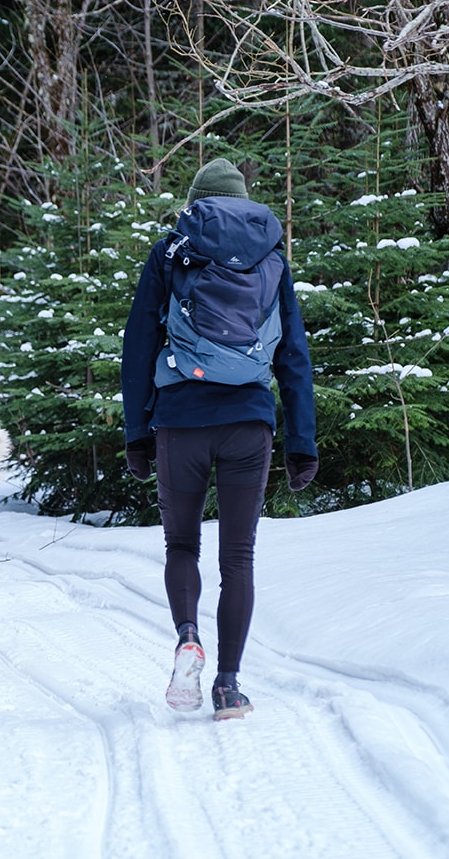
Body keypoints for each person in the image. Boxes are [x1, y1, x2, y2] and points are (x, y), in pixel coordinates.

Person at [120, 157, 318, 721]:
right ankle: (228, 687)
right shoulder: (272, 259)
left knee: (182, 546)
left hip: (181, 419)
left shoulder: (170, 251)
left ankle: (188, 638)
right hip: (249, 422)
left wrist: (138, 432)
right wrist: (301, 442)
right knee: (239, 556)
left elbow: (138, 343)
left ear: (197, 202)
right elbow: (294, 355)